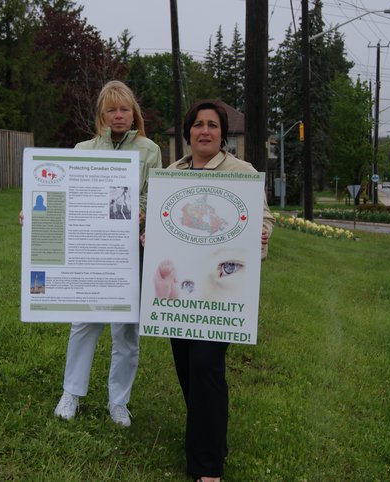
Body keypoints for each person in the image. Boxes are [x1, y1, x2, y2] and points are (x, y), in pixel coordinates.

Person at [162, 99, 273, 481]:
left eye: (212, 125)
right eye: (198, 124)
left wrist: (263, 233)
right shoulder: (171, 174)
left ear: (223, 133)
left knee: (206, 365)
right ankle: (210, 436)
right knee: (187, 371)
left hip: (221, 291)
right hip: (179, 293)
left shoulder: (242, 172)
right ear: (188, 131)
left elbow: (265, 216)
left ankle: (206, 465)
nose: (204, 131)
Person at [50, 80, 162, 426]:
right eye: (111, 109)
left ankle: (118, 401)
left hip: (131, 253)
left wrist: (142, 210)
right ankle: (72, 393)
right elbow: (68, 195)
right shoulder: (83, 150)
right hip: (92, 252)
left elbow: (155, 192)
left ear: (134, 114)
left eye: (124, 109)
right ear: (101, 114)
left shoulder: (149, 150)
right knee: (84, 321)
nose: (118, 115)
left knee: (126, 330)